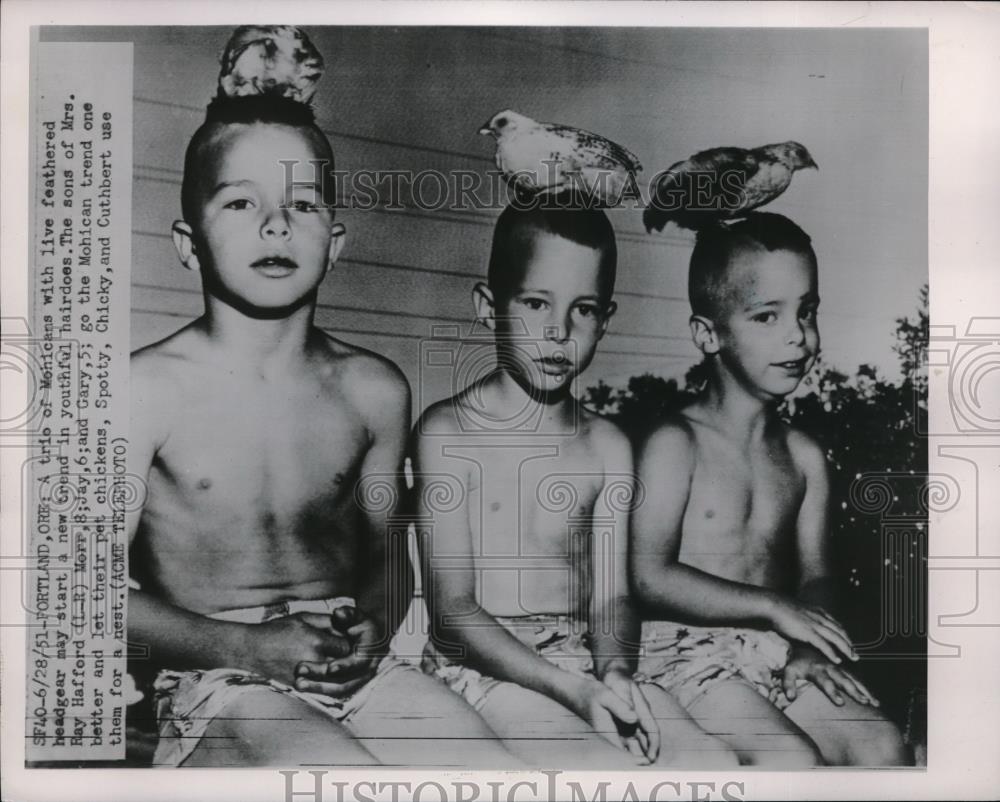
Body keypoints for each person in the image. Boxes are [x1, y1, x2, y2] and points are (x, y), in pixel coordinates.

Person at [127, 87, 518, 767]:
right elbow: (81, 593)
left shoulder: (372, 390)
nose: (276, 225)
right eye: (241, 202)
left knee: (500, 775)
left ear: (335, 242)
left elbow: (387, 554)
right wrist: (248, 647)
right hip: (215, 679)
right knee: (338, 777)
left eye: (303, 204)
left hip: (353, 667)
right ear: (189, 245)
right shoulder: (143, 389)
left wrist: (374, 624)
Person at [410, 204, 739, 768]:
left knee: (711, 763)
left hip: (584, 660)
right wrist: (571, 689)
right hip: (482, 667)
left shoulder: (608, 444)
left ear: (605, 319)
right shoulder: (446, 431)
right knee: (603, 769)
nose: (559, 332)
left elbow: (611, 598)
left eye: (582, 310)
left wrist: (613, 671)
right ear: (489, 308)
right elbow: (452, 612)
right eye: (536, 304)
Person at [630, 212, 911, 766]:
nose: (797, 336)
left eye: (807, 312)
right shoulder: (674, 443)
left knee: (883, 747)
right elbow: (646, 576)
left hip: (776, 651)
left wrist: (807, 646)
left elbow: (819, 577)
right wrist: (773, 607)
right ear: (708, 334)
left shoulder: (804, 457)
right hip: (680, 659)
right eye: (767, 315)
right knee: (791, 760)